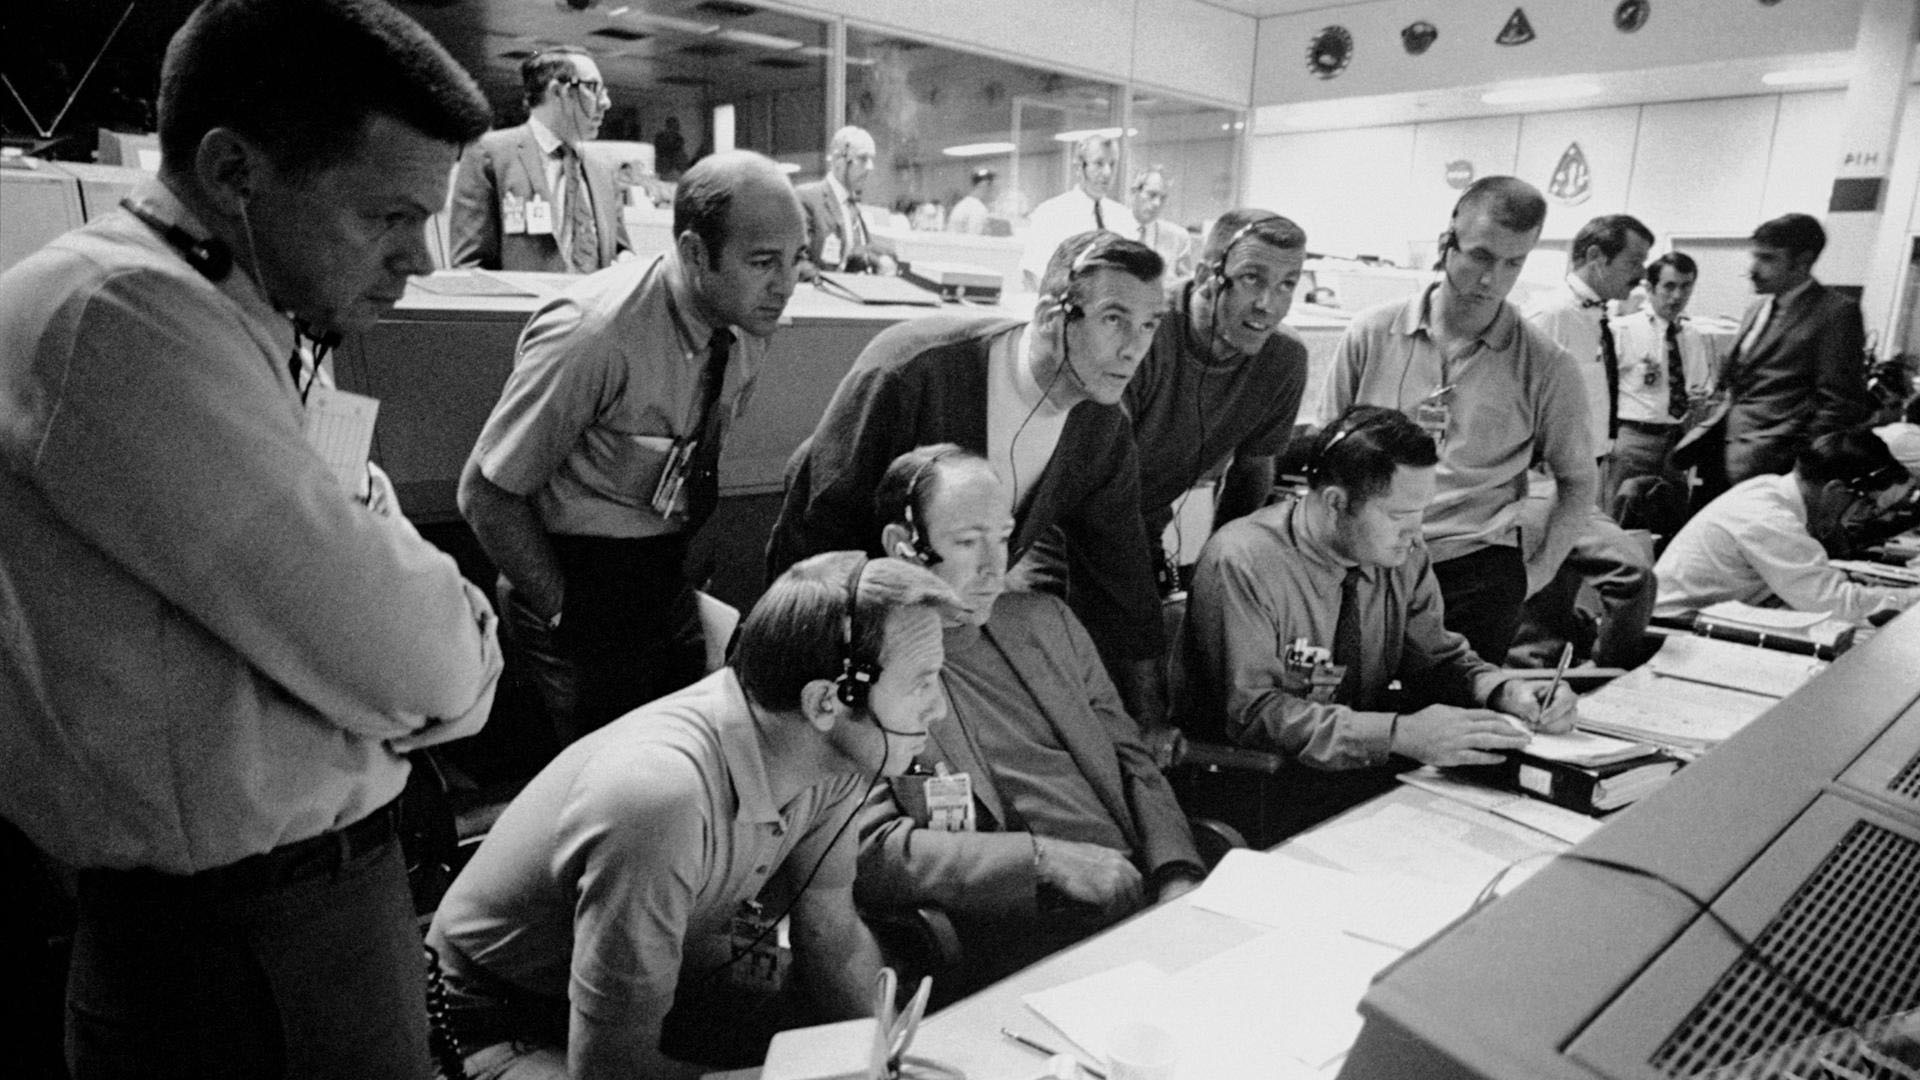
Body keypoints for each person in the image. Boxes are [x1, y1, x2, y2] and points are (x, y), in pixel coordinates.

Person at [0, 1, 505, 1075]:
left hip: (271, 929)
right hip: (252, 953)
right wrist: (456, 649)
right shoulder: (123, 319)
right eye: (388, 216)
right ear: (234, 171)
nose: (418, 259)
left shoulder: (223, 312)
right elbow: (421, 655)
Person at [426, 553, 964, 1080]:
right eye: (922, 683)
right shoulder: (662, 801)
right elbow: (611, 1070)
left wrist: (891, 1058)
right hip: (492, 1023)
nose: (938, 708)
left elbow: (832, 934)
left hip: (641, 1000)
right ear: (827, 701)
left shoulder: (835, 752)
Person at [460, 150, 806, 745]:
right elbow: (485, 496)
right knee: (602, 767)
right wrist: (564, 611)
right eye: (763, 262)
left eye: (798, 259)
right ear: (694, 253)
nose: (787, 284)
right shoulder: (595, 335)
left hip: (663, 574)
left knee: (687, 752)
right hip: (575, 575)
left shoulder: (746, 323)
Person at [768, 231, 1168, 723]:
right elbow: (814, 538)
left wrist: (1149, 717)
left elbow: (1122, 582)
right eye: (1114, 320)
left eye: (1148, 326)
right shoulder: (912, 369)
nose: (1134, 350)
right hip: (844, 635)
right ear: (1051, 315)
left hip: (949, 638)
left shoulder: (1103, 429)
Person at [857, 446, 1206, 997]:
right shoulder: (868, 668)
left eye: (1002, 538)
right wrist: (1042, 860)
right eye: (967, 543)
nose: (994, 567)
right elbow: (870, 852)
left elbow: (1133, 760)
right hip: (1026, 934)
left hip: (1142, 899)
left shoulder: (1048, 622)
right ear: (904, 546)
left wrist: (1176, 872)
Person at [1174, 408, 1576, 818]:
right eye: (1399, 516)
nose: (1416, 534)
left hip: (1361, 773)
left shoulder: (1401, 555)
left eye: (1422, 512)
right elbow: (1255, 716)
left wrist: (1504, 690)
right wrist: (1396, 735)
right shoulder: (1243, 562)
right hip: (1260, 789)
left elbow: (1437, 660)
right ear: (1335, 503)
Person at [1319, 176, 1596, 664]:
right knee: (1347, 695)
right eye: (1480, 257)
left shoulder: (1548, 365)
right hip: (1365, 556)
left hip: (1473, 569)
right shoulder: (1372, 333)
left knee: (1453, 703)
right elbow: (1326, 451)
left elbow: (1578, 482)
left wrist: (1535, 575)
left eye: (1513, 264)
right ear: (1447, 243)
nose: (1492, 280)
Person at [1679, 213, 1876, 500]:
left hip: (1774, 466)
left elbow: (1840, 403)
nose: (1753, 269)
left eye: (1768, 258)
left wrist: (1796, 463)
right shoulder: (1757, 308)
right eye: (1755, 256)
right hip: (1721, 453)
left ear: (1803, 261)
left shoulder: (1835, 313)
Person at [1654, 426, 1920, 625]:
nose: (1861, 515)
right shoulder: (1770, 518)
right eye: (1866, 504)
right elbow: (1836, 603)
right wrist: (1912, 597)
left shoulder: (1770, 488)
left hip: (1708, 613)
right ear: (1836, 491)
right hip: (1675, 627)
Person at [449, 46, 633, 273]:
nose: (606, 102)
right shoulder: (490, 155)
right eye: (593, 88)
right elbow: (469, 267)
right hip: (525, 297)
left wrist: (628, 262)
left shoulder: (603, 169)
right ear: (557, 91)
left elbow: (619, 250)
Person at [1522, 213, 1652, 468]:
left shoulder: (1595, 315)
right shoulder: (1553, 314)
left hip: (1587, 459)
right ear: (1595, 256)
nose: (1642, 273)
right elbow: (1519, 401)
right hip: (1551, 467)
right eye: (1634, 261)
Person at [1604, 251, 1719, 505]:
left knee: (1670, 514)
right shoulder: (1622, 330)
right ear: (1650, 288)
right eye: (1669, 286)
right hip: (1634, 439)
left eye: (1686, 286)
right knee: (1621, 512)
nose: (1677, 296)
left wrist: (1699, 397)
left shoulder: (1692, 335)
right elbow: (1602, 390)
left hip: (1676, 440)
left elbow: (1701, 386)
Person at [1019, 134, 1137, 290]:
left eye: (1112, 164)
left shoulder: (1124, 219)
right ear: (1079, 167)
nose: (1107, 172)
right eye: (1099, 163)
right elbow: (1034, 274)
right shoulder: (1051, 213)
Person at [795, 125, 897, 279]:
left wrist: (881, 260)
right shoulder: (806, 198)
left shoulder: (853, 208)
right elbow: (795, 262)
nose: (870, 167)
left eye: (871, 159)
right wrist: (831, 283)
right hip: (820, 292)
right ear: (839, 161)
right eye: (863, 158)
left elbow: (856, 255)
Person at [1129, 165, 1194, 279]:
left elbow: (1185, 283)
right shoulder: (1112, 228)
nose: (1157, 203)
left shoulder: (1178, 237)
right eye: (1152, 195)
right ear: (1134, 192)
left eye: (1163, 198)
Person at [948, 167, 995, 235]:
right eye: (992, 187)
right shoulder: (978, 209)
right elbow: (974, 239)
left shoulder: (961, 205)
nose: (993, 191)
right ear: (984, 184)